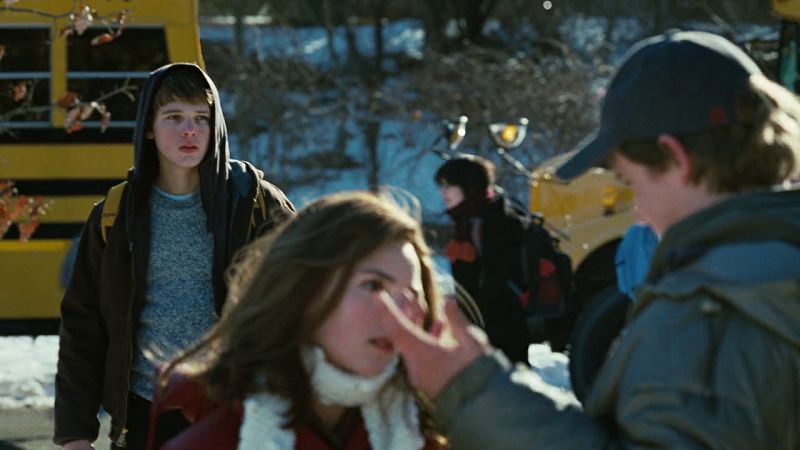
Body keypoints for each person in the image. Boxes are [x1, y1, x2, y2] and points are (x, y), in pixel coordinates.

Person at [377, 30, 800, 449]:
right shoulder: (770, 274)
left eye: (630, 182)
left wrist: (474, 394)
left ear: (676, 158)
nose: (638, 212)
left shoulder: (710, 314)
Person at [53, 63, 295, 450]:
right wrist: (75, 434)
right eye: (174, 117)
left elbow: (304, 303)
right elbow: (83, 327)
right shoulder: (116, 214)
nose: (189, 130)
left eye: (201, 118)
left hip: (237, 415)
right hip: (144, 416)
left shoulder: (254, 203)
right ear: (149, 127)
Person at [150, 191, 447, 450]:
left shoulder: (438, 433)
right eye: (374, 286)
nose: (401, 314)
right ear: (303, 292)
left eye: (412, 295)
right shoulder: (200, 434)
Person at [434, 155, 530, 364]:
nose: (443, 192)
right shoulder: (469, 221)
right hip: (484, 332)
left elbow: (496, 288)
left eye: (449, 186)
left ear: (469, 187)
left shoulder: (495, 223)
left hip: (500, 336)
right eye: (441, 186)